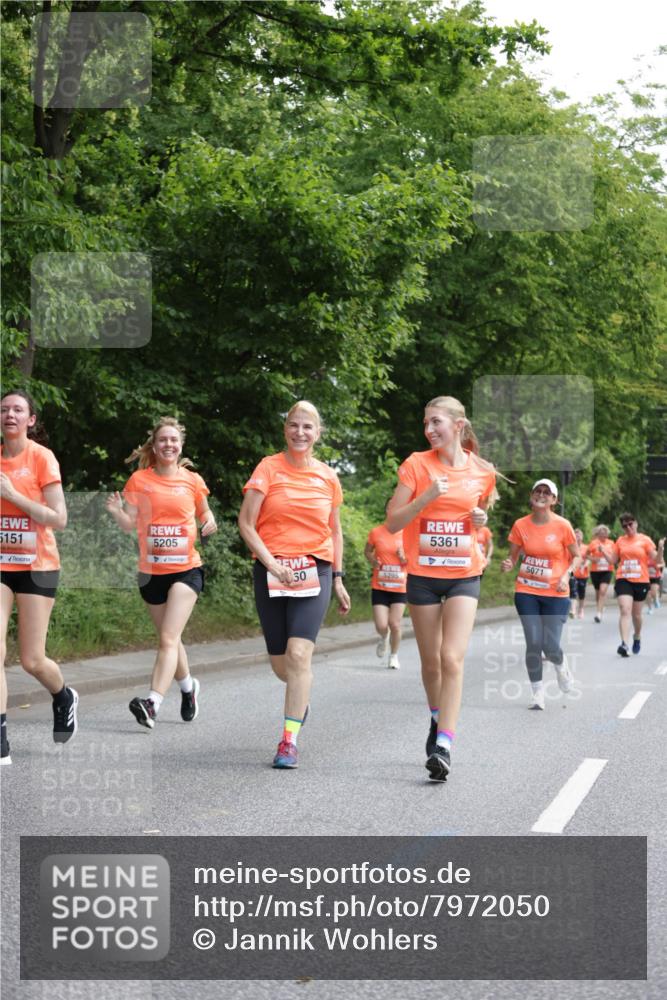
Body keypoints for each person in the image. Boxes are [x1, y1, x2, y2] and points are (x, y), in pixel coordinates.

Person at [386, 396, 497, 782]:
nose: (430, 430)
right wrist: (427, 496)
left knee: (452, 658)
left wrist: (481, 518)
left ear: (459, 425)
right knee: (431, 663)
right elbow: (392, 522)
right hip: (422, 577)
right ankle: (437, 719)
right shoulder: (416, 465)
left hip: (464, 574)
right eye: (426, 424)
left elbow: (480, 513)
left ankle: (445, 744)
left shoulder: (482, 471)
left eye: (436, 422)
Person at [238, 401, 351, 769]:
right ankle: (299, 696)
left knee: (300, 655)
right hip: (271, 570)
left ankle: (288, 741)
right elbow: (246, 523)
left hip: (314, 569)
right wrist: (271, 562)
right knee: (281, 665)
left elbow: (334, 531)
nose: (300, 433)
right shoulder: (268, 469)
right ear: (285, 429)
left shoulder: (328, 477)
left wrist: (337, 577)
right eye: (294, 425)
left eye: (308, 427)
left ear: (318, 433)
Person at [106, 417, 216, 728]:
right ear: (154, 446)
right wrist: (117, 513)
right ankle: (188, 687)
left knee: (168, 637)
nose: (168, 444)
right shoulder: (139, 481)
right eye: (163, 440)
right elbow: (130, 524)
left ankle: (152, 703)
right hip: (151, 573)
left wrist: (210, 521)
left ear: (181, 445)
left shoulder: (191, 480)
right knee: (171, 639)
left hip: (186, 570)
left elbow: (204, 511)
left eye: (174, 440)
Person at [1, 390, 78, 764]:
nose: (9, 415)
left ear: (30, 420)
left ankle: (63, 695)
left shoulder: (41, 458)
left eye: (18, 410)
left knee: (32, 660)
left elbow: (59, 519)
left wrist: (13, 495)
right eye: (4, 410)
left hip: (38, 565)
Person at [501, 479, 579, 711]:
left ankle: (561, 665)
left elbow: (576, 556)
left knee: (550, 645)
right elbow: (513, 557)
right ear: (532, 496)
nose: (541, 494)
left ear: (554, 500)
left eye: (547, 492)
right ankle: (537, 694)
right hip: (527, 591)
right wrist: (508, 563)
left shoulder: (563, 526)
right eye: (538, 491)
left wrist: (566, 575)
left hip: (556, 592)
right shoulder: (520, 525)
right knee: (534, 642)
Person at [608, 513, 662, 656]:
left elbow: (656, 560)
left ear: (636, 524)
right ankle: (624, 644)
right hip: (623, 579)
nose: (628, 528)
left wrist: (661, 548)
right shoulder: (620, 541)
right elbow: (613, 560)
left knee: (636, 615)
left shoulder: (645, 540)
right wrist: (604, 553)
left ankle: (637, 636)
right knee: (625, 610)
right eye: (624, 526)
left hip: (641, 580)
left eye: (630, 524)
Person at [364, 507, 407, 669]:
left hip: (400, 586)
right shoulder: (376, 532)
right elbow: (367, 551)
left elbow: (414, 559)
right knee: (382, 625)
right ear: (387, 511)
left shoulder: (407, 533)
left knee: (395, 624)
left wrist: (404, 558)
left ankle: (394, 656)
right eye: (391, 507)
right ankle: (384, 637)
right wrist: (373, 560)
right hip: (380, 585)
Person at [586, 524, 615, 623]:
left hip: (607, 570)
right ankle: (600, 606)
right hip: (595, 571)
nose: (603, 535)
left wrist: (606, 554)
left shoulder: (611, 543)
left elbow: (614, 555)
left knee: (603, 591)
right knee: (598, 593)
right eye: (601, 533)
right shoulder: (593, 543)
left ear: (607, 534)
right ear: (598, 534)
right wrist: (593, 559)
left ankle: (598, 614)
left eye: (605, 533)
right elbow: (586, 555)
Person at [570, 528, 589, 620]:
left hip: (583, 574)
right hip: (572, 573)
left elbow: (588, 559)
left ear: (582, 537)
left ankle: (581, 610)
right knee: (573, 591)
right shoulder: (570, 547)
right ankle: (573, 610)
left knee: (581, 593)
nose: (577, 537)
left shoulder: (586, 547)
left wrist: (584, 566)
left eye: (579, 535)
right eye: (575, 535)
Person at [646, 540, 665, 614]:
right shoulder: (644, 555)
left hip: (655, 576)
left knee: (653, 592)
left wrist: (658, 566)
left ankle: (655, 598)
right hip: (646, 577)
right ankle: (650, 609)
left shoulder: (657, 554)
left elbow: (663, 564)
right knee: (648, 593)